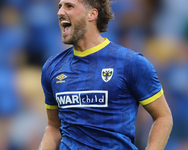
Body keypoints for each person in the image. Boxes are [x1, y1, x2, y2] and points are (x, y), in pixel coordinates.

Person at [39, 0, 173, 149]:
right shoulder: (52, 67)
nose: (60, 12)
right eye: (59, 7)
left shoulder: (130, 62)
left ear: (92, 14)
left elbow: (163, 117)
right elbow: (53, 127)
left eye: (69, 6)